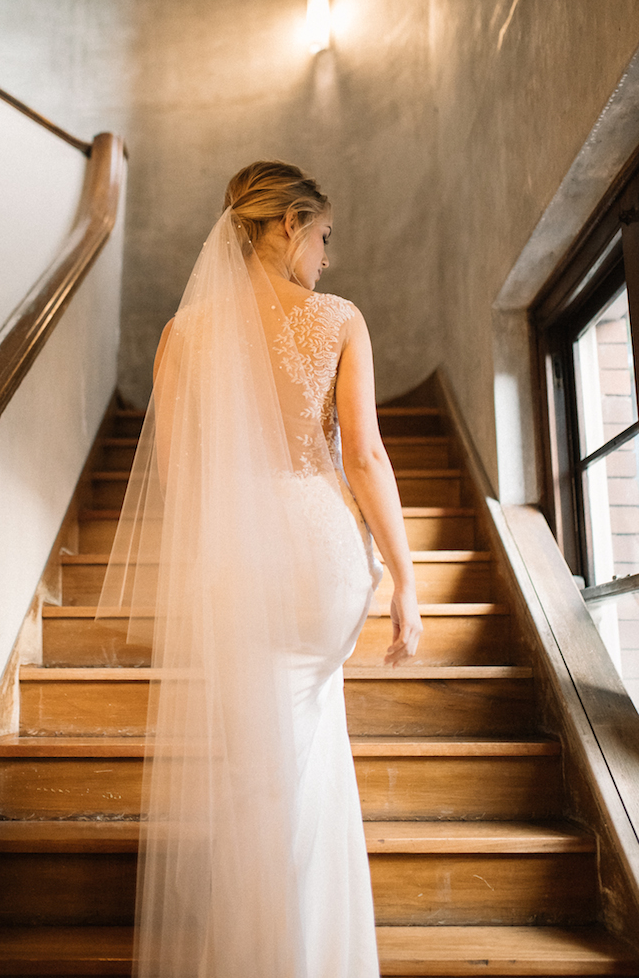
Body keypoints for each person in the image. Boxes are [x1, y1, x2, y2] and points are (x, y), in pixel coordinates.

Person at [97, 161, 421, 978]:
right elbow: (367, 454)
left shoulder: (184, 335)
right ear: (287, 225)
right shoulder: (340, 321)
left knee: (260, 774)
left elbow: (178, 478)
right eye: (323, 237)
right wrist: (408, 582)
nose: (326, 259)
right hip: (321, 559)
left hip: (239, 562)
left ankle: (264, 954)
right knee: (313, 744)